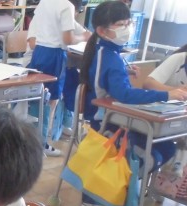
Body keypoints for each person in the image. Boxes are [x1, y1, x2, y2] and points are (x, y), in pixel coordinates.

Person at [80, 1, 187, 174]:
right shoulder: (110, 57)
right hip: (108, 122)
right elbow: (125, 95)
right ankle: (123, 180)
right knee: (160, 150)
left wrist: (124, 71)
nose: (127, 28)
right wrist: (167, 95)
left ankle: (129, 180)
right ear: (102, 31)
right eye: (121, 24)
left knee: (166, 146)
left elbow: (106, 76)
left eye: (128, 23)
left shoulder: (105, 51)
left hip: (114, 116)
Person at [27, 0, 91, 156]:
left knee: (39, 96)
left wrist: (85, 33)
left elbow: (72, 25)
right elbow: (68, 40)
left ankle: (36, 139)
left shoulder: (45, 2)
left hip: (40, 52)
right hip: (54, 55)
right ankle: (41, 142)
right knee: (51, 100)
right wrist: (83, 37)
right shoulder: (67, 6)